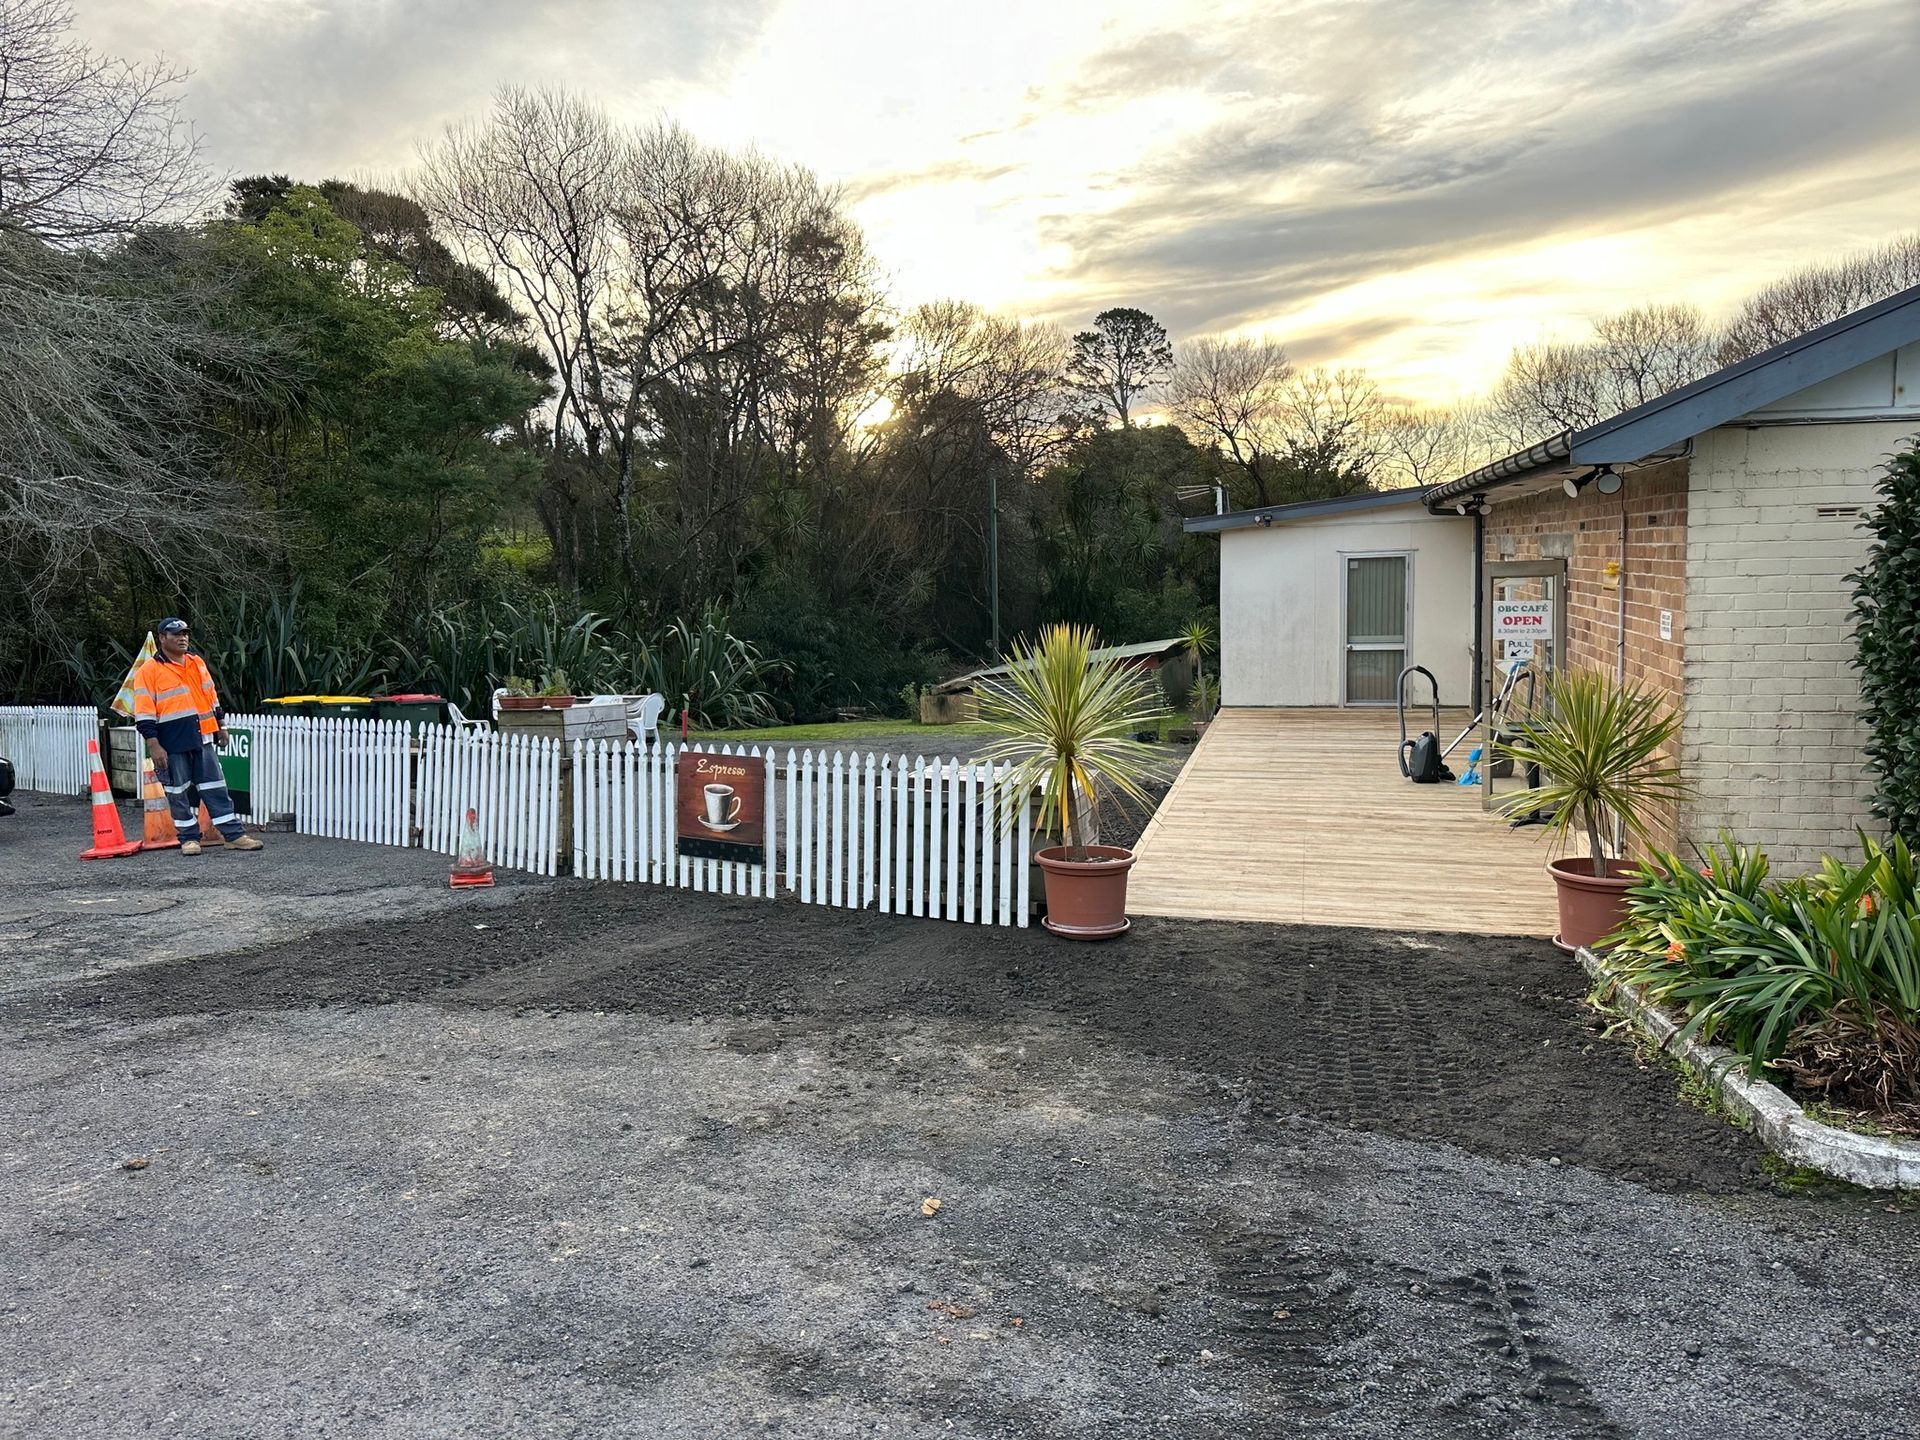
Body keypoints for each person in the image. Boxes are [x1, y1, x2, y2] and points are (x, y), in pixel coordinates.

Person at [131, 617, 264, 856]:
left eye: (185, 633)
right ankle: (189, 839)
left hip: (202, 737)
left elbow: (211, 696)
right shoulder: (148, 671)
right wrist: (154, 744)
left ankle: (234, 835)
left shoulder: (196, 663)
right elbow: (143, 712)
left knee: (216, 788)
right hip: (172, 742)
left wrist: (220, 725)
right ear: (162, 638)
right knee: (177, 792)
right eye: (176, 634)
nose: (183, 638)